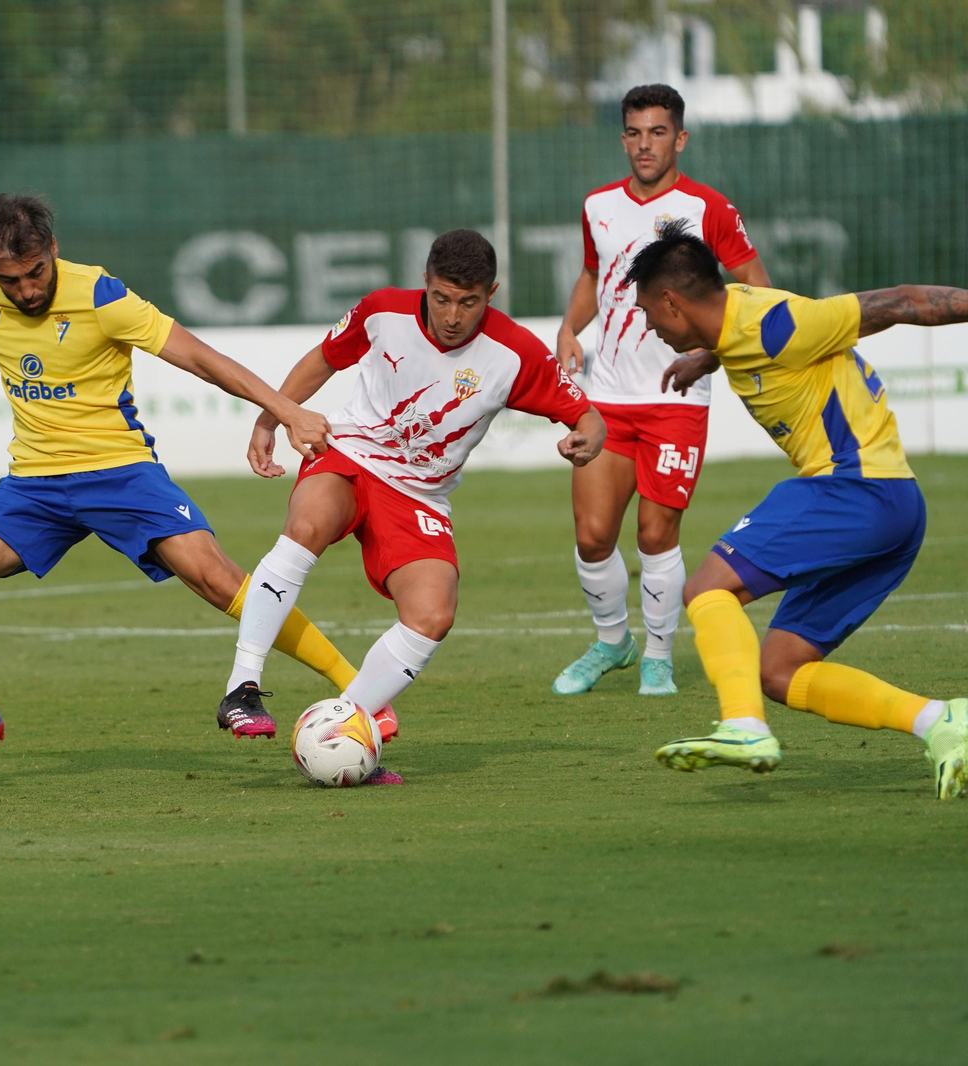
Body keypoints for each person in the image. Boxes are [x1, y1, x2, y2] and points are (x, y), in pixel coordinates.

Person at [0, 193, 359, 790]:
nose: (23, 291)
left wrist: (284, 411)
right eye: (10, 279)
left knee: (217, 579)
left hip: (121, 472)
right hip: (35, 485)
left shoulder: (102, 296)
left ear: (53, 250)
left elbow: (202, 360)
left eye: (34, 274)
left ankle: (360, 692)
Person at [226, 229, 606, 782]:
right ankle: (243, 686)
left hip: (418, 493)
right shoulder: (383, 311)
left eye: (469, 302)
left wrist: (587, 438)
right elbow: (324, 358)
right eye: (443, 297)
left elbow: (585, 416)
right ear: (425, 283)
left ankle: (345, 724)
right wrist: (271, 416)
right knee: (308, 521)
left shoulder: (515, 353)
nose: (453, 315)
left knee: (432, 614)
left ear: (491, 293)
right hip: (352, 455)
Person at [626, 221, 967, 799]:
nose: (649, 325)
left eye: (649, 312)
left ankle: (744, 726)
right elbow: (734, 337)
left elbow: (905, 302)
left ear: (671, 301)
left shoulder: (778, 322)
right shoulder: (733, 318)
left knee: (707, 587)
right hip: (893, 507)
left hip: (856, 490)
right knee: (780, 669)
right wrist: (703, 360)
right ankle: (943, 722)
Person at [552, 84, 770, 697]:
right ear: (622, 137)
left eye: (656, 132)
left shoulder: (709, 208)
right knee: (593, 534)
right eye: (633, 132)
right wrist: (570, 328)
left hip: (678, 400)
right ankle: (612, 642)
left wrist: (712, 350)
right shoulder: (598, 205)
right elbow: (594, 274)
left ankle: (658, 654)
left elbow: (754, 282)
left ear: (680, 138)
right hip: (608, 398)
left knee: (655, 534)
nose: (644, 145)